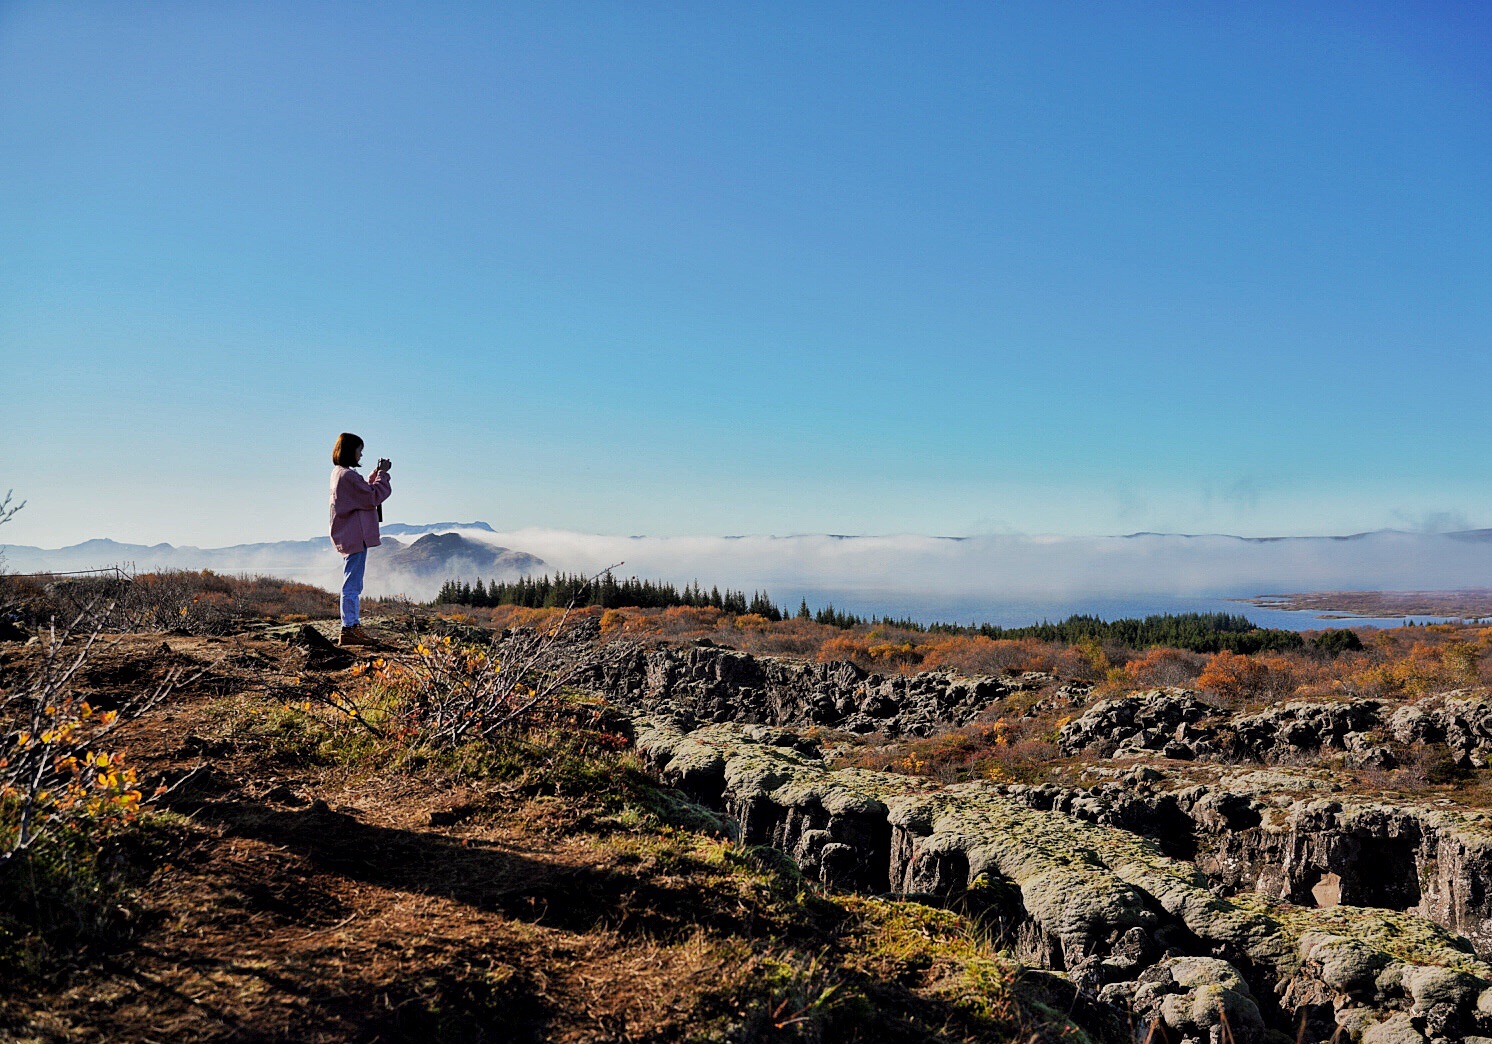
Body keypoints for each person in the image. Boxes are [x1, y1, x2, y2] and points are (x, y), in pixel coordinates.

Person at [328, 432, 392, 647]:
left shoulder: (340, 474)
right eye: (359, 451)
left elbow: (364, 489)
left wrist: (376, 473)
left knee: (352, 581)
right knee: (353, 584)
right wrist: (383, 474)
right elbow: (373, 495)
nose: (360, 455)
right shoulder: (348, 476)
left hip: (349, 533)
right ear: (350, 451)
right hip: (355, 535)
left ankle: (352, 627)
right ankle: (350, 628)